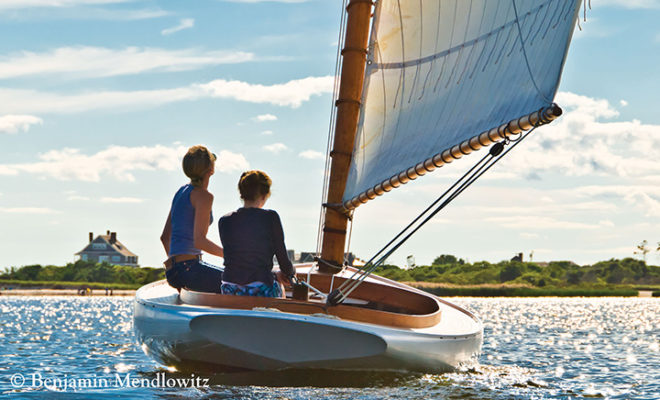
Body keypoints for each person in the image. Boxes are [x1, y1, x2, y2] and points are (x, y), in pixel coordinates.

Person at [218, 170, 295, 297]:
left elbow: (241, 261)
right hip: (260, 289)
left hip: (230, 289)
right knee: (279, 287)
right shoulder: (271, 217)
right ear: (264, 195)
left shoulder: (224, 221)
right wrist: (291, 272)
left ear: (242, 194)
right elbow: (284, 262)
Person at [160, 145, 224, 293]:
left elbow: (165, 237)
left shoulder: (180, 192)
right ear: (211, 169)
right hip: (190, 269)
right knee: (237, 282)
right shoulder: (204, 196)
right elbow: (200, 241)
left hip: (173, 271)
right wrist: (231, 255)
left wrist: (175, 268)